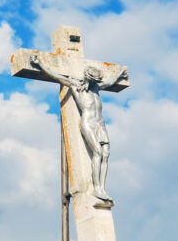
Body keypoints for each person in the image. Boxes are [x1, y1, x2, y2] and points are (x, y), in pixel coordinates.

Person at [31, 55, 128, 205]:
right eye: (93, 80)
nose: (95, 82)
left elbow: (110, 82)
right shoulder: (76, 86)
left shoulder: (97, 88)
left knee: (106, 155)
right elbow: (56, 76)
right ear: (87, 77)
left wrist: (119, 74)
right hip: (88, 122)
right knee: (97, 152)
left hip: (100, 124)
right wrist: (40, 65)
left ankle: (102, 187)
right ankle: (97, 188)